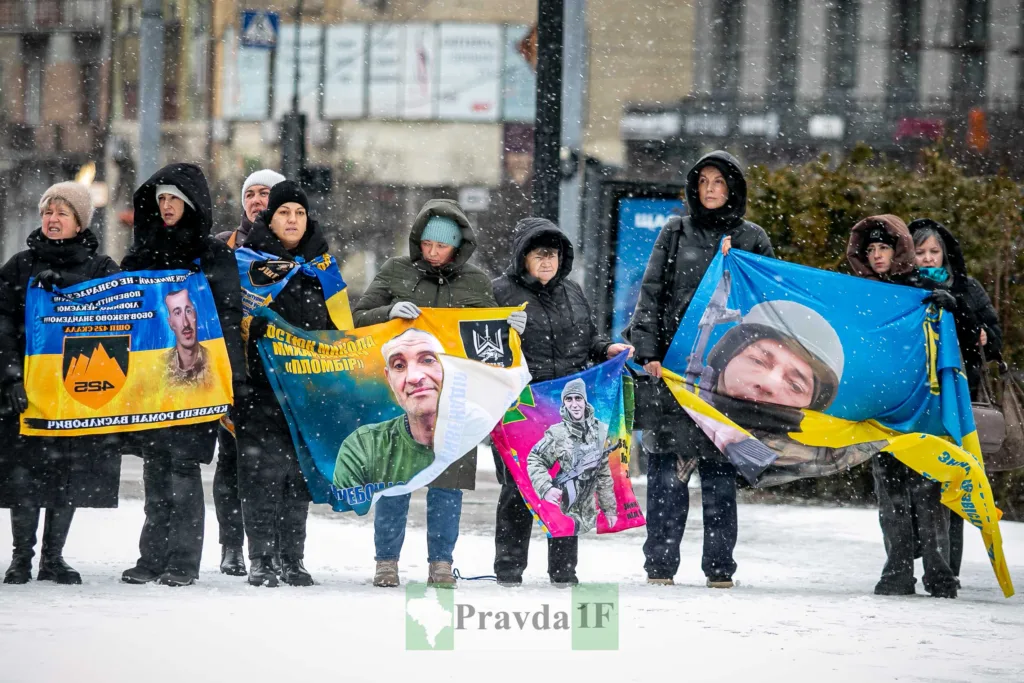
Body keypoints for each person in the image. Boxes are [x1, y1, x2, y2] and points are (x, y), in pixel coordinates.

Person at [625, 150, 774, 589]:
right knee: (667, 471)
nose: (710, 190)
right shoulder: (675, 231)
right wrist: (647, 350)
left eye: (719, 183)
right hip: (674, 369)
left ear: (733, 190)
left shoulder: (753, 238)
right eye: (704, 181)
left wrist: (732, 268)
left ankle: (719, 568)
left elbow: (768, 305)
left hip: (727, 376)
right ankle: (660, 565)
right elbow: (651, 294)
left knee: (719, 472)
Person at [354, 198, 507, 589]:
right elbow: (357, 318)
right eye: (427, 244)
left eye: (442, 246)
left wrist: (510, 326)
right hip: (402, 398)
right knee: (393, 480)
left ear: (458, 246)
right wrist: (387, 313)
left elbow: (489, 341)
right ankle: (385, 562)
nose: (433, 252)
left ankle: (441, 563)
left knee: (448, 484)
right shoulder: (395, 271)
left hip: (455, 398)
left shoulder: (475, 282)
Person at [119, 163, 245, 587]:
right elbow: (121, 312)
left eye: (174, 198)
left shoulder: (214, 255)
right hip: (151, 378)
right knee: (156, 469)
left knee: (183, 468)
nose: (166, 206)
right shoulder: (140, 254)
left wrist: (236, 380)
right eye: (161, 199)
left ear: (190, 203)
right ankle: (151, 558)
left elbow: (228, 318)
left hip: (199, 377)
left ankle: (183, 562)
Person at [490, 216, 632, 586]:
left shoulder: (573, 292)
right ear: (523, 257)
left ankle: (563, 570)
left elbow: (588, 341)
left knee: (571, 484)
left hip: (566, 407)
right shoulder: (499, 293)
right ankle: (508, 569)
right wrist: (503, 331)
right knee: (518, 487)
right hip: (519, 407)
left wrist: (607, 349)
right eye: (539, 254)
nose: (547, 262)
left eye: (552, 254)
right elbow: (482, 348)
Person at [0, 182, 122, 584]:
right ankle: (21, 557)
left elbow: (120, 320)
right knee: (25, 474)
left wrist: (69, 289)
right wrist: (12, 377)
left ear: (79, 221)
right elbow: (2, 324)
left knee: (66, 474)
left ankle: (53, 558)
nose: (52, 220)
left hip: (78, 391)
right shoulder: (19, 265)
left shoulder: (102, 268)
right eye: (47, 212)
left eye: (62, 213)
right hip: (27, 392)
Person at [237, 180, 351, 588]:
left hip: (308, 393)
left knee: (300, 476)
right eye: (284, 212)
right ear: (271, 218)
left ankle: (292, 557)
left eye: (299, 213)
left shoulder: (323, 267)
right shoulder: (248, 264)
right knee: (261, 475)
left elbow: (340, 328)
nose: (292, 220)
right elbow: (235, 326)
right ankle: (262, 558)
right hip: (259, 390)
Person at [847, 214, 958, 599]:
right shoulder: (859, 293)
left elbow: (967, 338)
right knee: (890, 493)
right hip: (881, 409)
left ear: (898, 249)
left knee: (927, 492)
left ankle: (939, 574)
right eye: (871, 249)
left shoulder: (926, 287)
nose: (877, 256)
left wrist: (952, 308)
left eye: (884, 247)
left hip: (924, 405)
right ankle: (896, 571)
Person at [908, 218, 1003, 585]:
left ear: (946, 254)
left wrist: (957, 309)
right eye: (921, 252)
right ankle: (921, 548)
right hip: (915, 396)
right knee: (914, 480)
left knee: (952, 482)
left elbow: (991, 341)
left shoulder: (966, 287)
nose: (929, 259)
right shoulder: (901, 287)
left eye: (935, 252)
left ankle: (948, 568)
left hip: (958, 395)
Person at [213, 169, 284, 578]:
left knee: (279, 467)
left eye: (266, 194)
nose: (257, 200)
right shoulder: (224, 245)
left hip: (280, 373)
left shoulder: (298, 244)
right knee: (232, 460)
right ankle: (231, 547)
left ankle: (275, 548)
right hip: (233, 368)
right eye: (251, 194)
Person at [333, 329, 445, 492]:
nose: (413, 377)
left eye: (427, 360)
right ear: (389, 379)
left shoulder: (478, 428)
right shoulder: (363, 446)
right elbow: (349, 506)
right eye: (399, 366)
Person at [527, 379, 617, 536]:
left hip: (591, 514)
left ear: (585, 401)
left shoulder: (600, 431)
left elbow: (603, 475)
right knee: (563, 552)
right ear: (564, 403)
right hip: (563, 510)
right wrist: (545, 488)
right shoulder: (557, 433)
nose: (574, 404)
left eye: (578, 398)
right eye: (569, 399)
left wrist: (609, 509)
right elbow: (535, 459)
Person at [162, 289, 212, 387]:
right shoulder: (159, 367)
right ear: (170, 323)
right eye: (177, 313)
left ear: (195, 315)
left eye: (188, 311)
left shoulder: (215, 362)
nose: (186, 323)